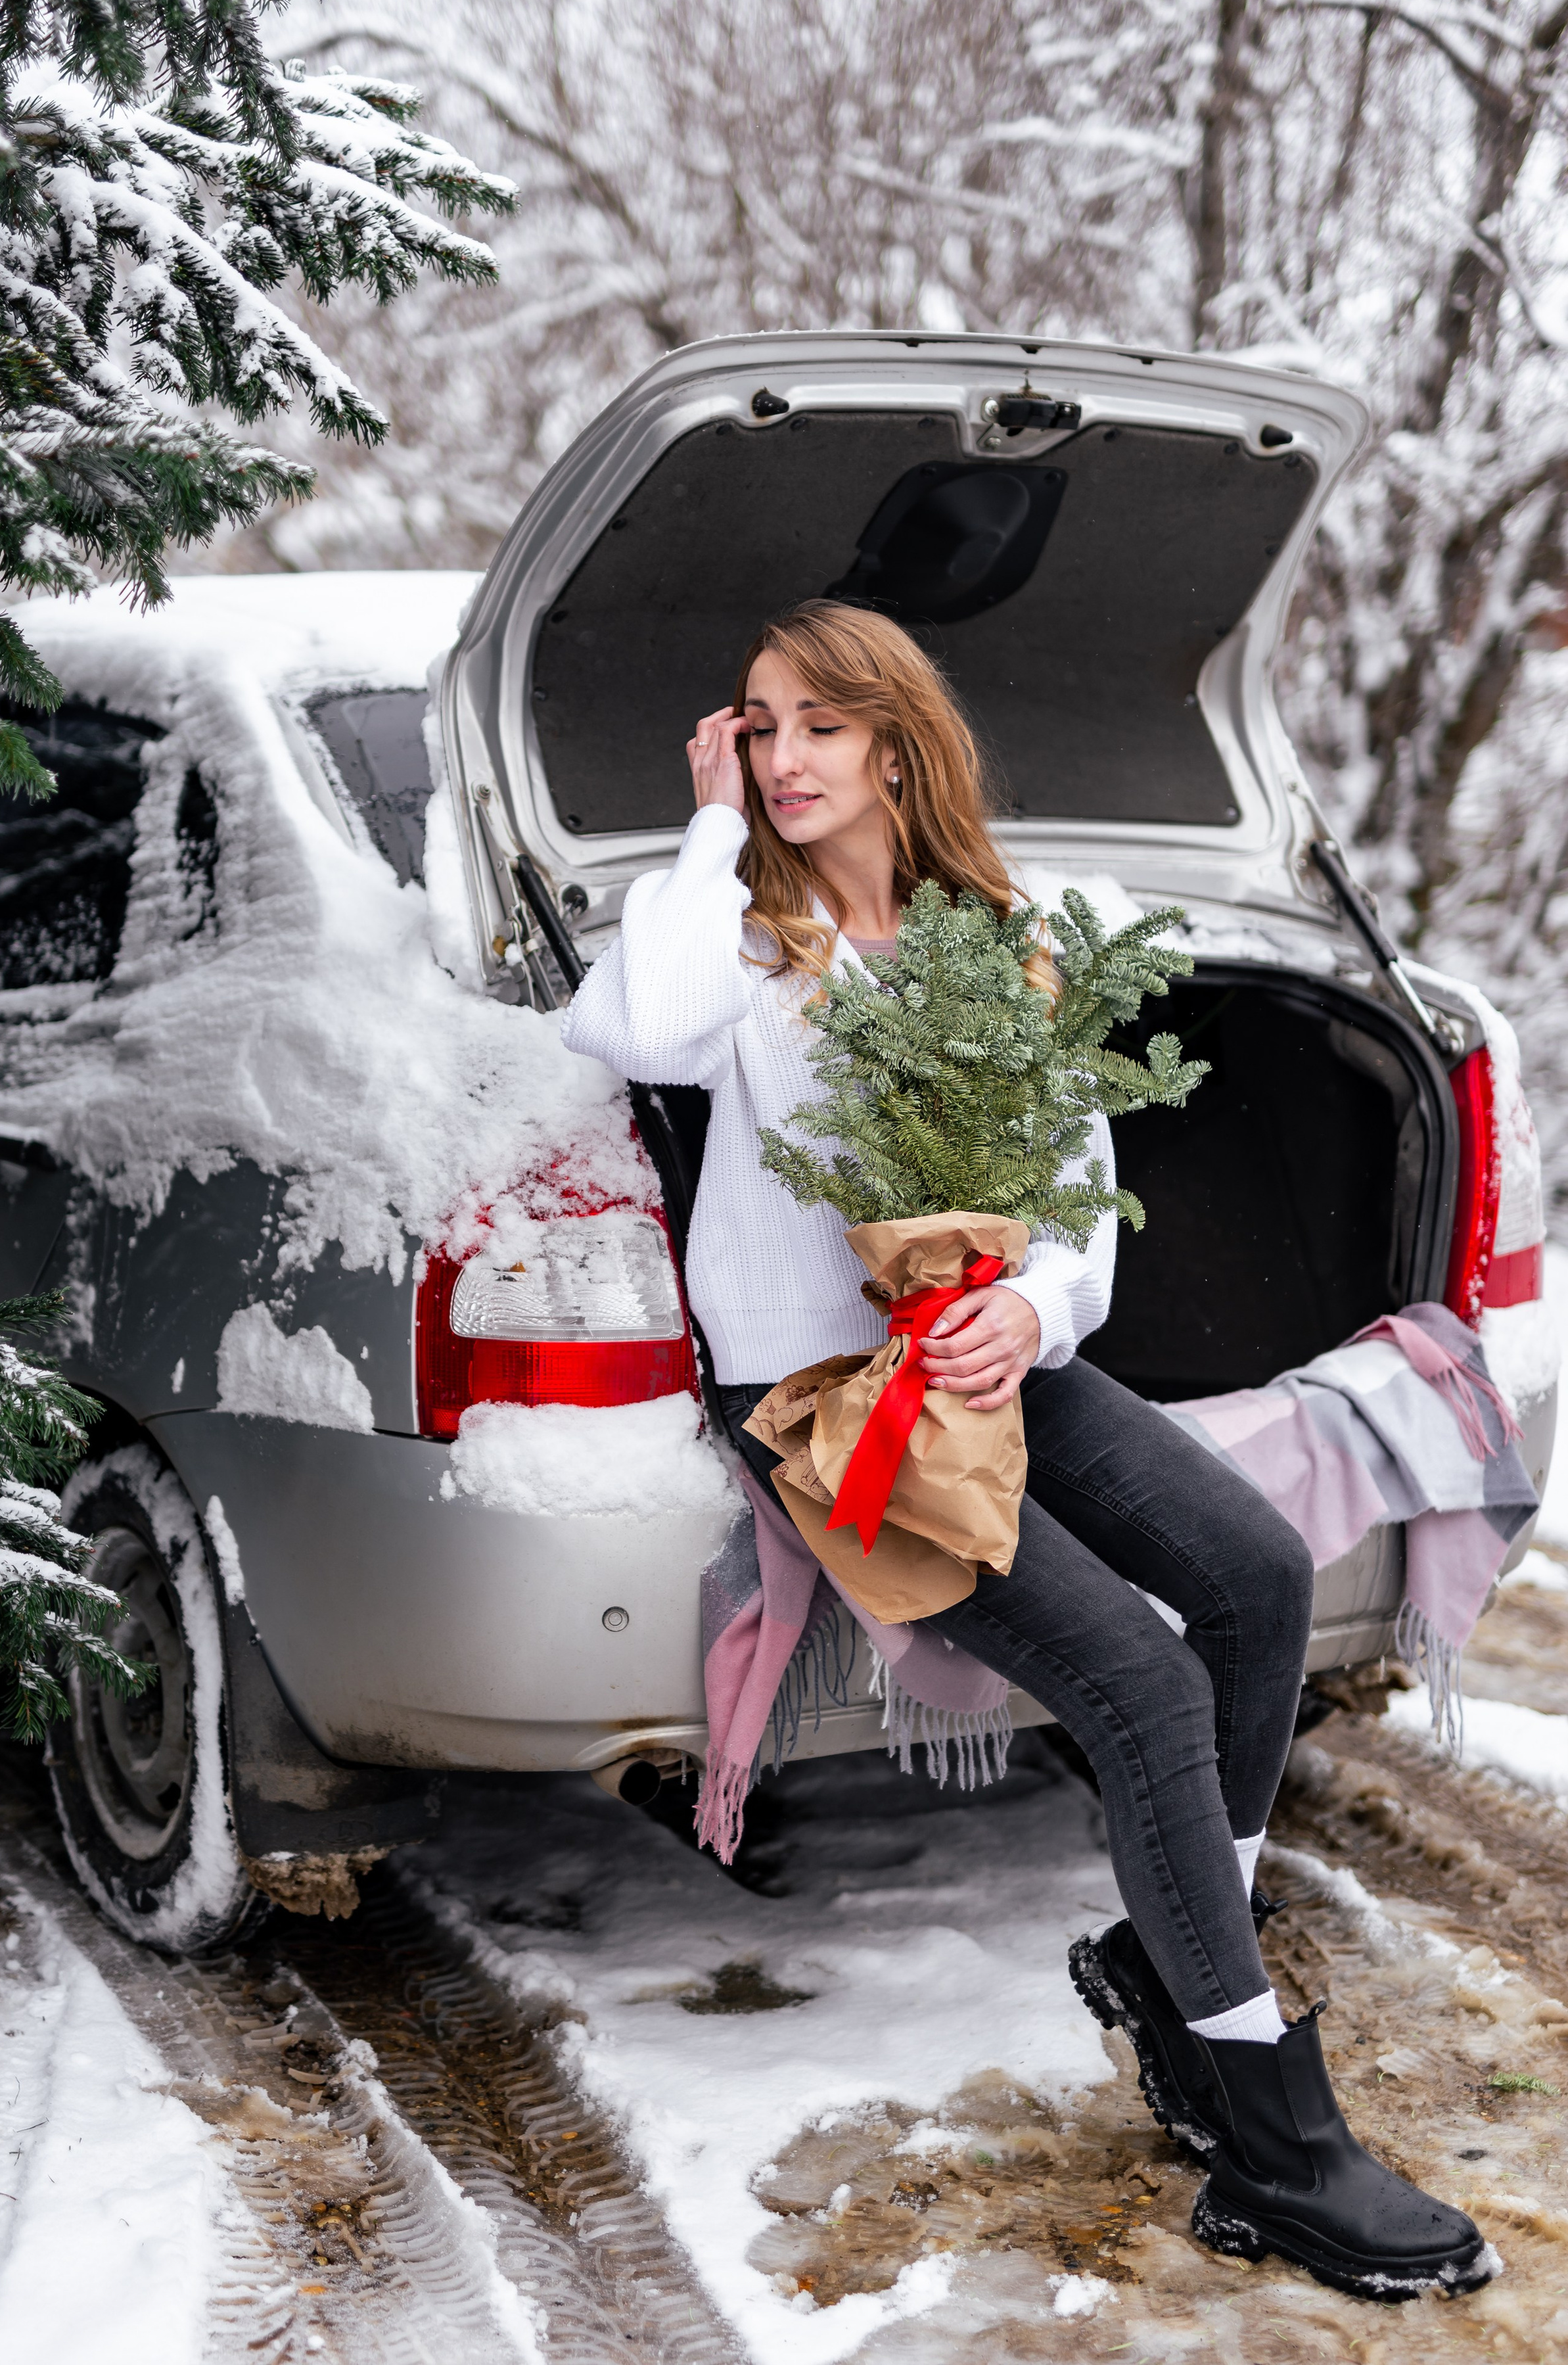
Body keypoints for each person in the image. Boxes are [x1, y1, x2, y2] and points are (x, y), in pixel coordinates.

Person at [561, 597, 1488, 2303]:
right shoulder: (747, 942)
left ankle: (1173, 1955)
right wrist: (704, 823)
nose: (778, 756)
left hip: (985, 1356)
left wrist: (1035, 1314)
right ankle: (1274, 2141)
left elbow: (1073, 1208)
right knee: (1135, 1682)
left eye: (811, 726)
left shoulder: (990, 936)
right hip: (831, 1399)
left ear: (898, 746)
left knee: (1257, 1575)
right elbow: (627, 1026)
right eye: (755, 727)